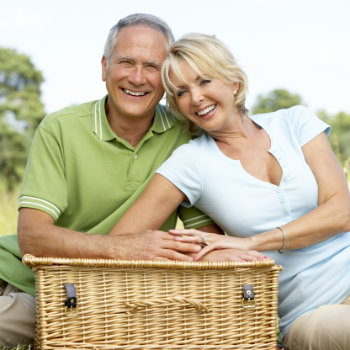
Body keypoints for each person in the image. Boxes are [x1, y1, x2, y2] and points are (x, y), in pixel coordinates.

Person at [0, 15, 264, 348]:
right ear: (104, 67)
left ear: (166, 78)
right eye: (126, 62)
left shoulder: (187, 138)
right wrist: (122, 248)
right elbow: (32, 238)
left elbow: (206, 239)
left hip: (111, 297)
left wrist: (210, 253)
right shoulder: (61, 129)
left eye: (152, 66)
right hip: (30, 281)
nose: (137, 78)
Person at [110, 33, 350, 350]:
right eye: (181, 92)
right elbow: (120, 242)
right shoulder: (190, 162)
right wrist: (208, 255)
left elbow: (342, 213)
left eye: (204, 81)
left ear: (233, 82)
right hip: (312, 312)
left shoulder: (294, 122)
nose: (195, 97)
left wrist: (251, 241)